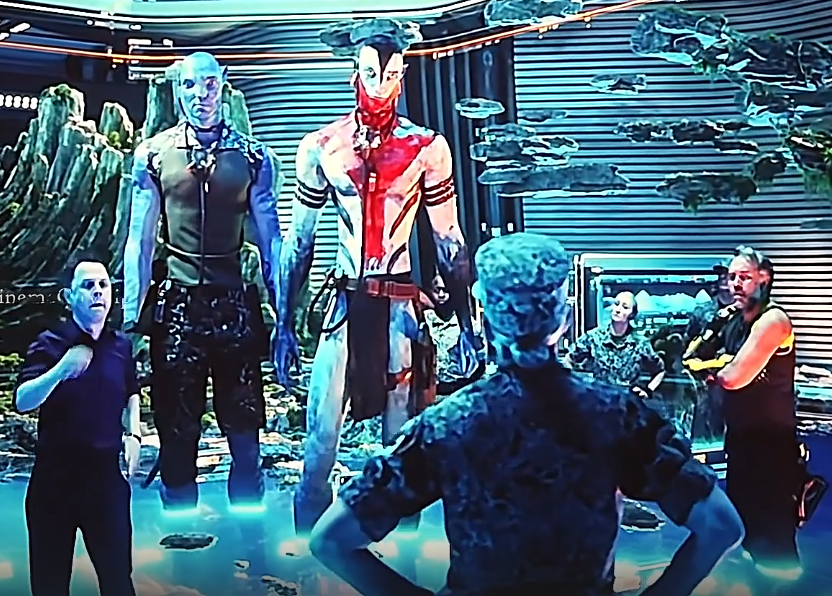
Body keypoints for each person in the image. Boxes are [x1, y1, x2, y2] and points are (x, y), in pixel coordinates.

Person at [309, 232, 743, 596]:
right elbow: (722, 526)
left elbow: (330, 540)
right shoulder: (617, 416)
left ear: (486, 319)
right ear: (564, 319)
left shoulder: (446, 424)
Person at [274, 18, 479, 533]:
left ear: (401, 76)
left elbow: (450, 241)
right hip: (345, 304)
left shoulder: (427, 148)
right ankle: (304, 558)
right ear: (355, 75)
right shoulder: (321, 146)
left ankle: (402, 561)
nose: (380, 84)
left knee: (401, 448)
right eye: (370, 73)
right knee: (319, 443)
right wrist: (283, 324)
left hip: (399, 307)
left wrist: (468, 324)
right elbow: (298, 242)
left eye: (389, 74)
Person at [122, 51, 283, 511]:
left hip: (234, 305)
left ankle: (250, 541)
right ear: (178, 90)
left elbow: (272, 242)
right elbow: (139, 240)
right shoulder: (153, 155)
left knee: (245, 434)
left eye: (210, 84)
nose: (201, 95)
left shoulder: (254, 157)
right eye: (190, 85)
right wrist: (131, 320)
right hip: (176, 307)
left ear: (223, 84)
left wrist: (285, 317)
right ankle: (178, 537)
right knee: (176, 435)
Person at [14, 253, 141, 596]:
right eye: (88, 286)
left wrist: (134, 433)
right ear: (69, 297)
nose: (98, 291)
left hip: (107, 483)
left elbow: (132, 392)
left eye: (103, 285)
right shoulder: (49, 343)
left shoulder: (120, 345)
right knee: (50, 586)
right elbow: (22, 400)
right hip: (54, 484)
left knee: (118, 582)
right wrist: (61, 370)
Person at [706, 246, 803, 572]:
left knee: (773, 538)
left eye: (744, 277)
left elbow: (732, 377)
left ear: (765, 279)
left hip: (772, 446)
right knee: (744, 528)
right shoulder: (733, 321)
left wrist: (712, 369)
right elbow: (698, 358)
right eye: (732, 277)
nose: (735, 283)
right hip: (741, 438)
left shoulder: (773, 320)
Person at [565, 290, 665, 397]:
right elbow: (568, 359)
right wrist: (575, 387)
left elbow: (660, 370)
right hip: (599, 401)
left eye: (625, 307)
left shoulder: (640, 343)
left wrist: (648, 390)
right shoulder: (593, 338)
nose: (618, 310)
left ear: (632, 314)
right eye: (616, 304)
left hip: (628, 403)